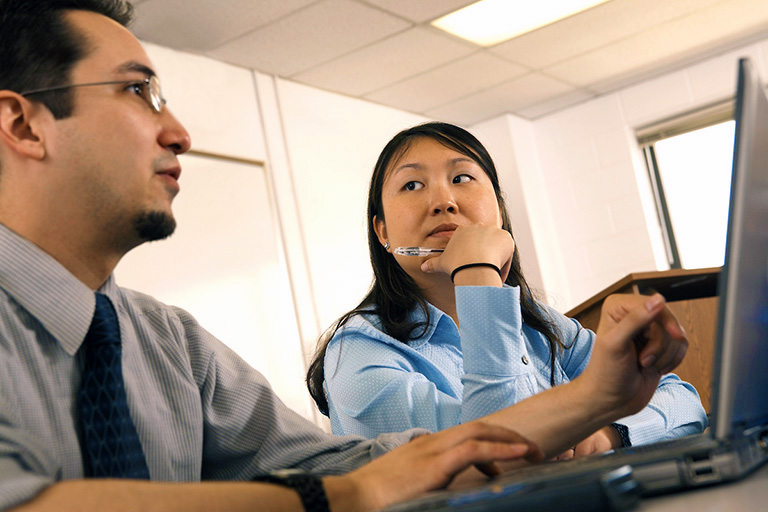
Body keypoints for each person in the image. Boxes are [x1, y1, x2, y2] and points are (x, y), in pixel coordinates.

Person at [0, 1, 693, 510]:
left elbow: (362, 461)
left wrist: (602, 401)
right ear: (22, 123)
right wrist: (350, 492)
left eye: (462, 179)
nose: (178, 132)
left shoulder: (168, 343)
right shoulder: (362, 349)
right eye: (136, 91)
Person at [307, 122, 708, 456]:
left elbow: (683, 402)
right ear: (382, 232)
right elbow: (501, 456)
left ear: (498, 209)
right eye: (412, 185)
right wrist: (477, 273)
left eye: (462, 178)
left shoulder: (539, 322)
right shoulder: (358, 352)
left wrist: (607, 437)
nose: (443, 201)